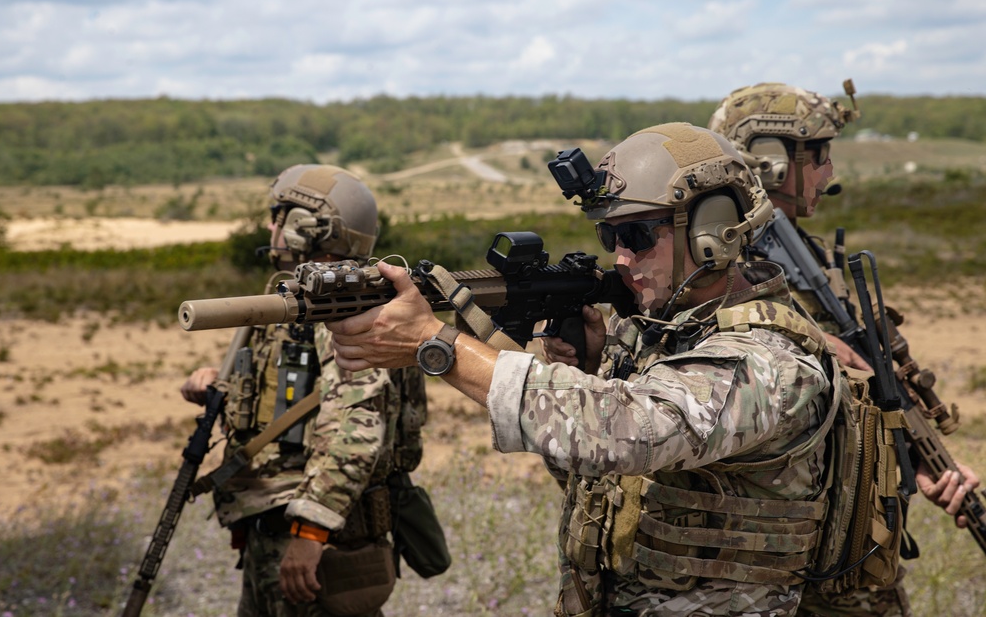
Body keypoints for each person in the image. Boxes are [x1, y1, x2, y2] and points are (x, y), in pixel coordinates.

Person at [327, 122, 851, 615]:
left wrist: (438, 345)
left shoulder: (772, 357)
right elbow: (598, 477)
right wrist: (596, 369)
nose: (621, 259)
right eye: (611, 238)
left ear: (713, 229)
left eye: (638, 236)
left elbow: (629, 433)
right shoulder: (663, 334)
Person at [707, 82, 981, 616]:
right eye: (820, 155)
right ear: (770, 162)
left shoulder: (798, 248)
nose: (830, 171)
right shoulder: (721, 263)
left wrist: (915, 462)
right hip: (780, 556)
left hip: (844, 548)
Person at [181, 164, 429, 617]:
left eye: (279, 215)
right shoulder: (296, 297)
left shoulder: (340, 304)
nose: (271, 227)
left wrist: (310, 533)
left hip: (316, 538)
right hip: (276, 524)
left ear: (304, 228)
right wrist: (218, 383)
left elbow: (358, 430)